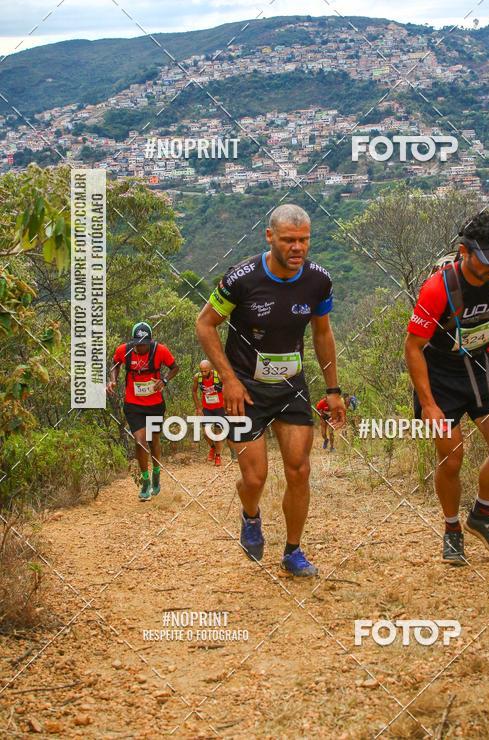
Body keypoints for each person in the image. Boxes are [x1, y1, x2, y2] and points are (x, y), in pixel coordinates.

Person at [195, 203, 346, 577]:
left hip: (291, 385)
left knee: (299, 470)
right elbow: (204, 325)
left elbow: (322, 332)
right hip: (244, 389)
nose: (297, 248)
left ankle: (293, 552)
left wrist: (333, 389)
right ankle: (250, 515)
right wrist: (228, 379)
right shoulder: (242, 279)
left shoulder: (318, 280)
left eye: (304, 240)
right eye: (289, 240)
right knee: (255, 476)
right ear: (270, 237)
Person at [404, 211, 489, 566]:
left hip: (480, 367)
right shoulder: (439, 287)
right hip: (439, 374)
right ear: (463, 251)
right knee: (452, 457)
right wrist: (428, 404)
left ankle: (481, 515)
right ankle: (452, 530)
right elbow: (412, 348)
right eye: (482, 264)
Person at [107, 322, 179, 501]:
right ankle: (145, 481)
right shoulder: (124, 350)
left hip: (155, 404)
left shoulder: (160, 350)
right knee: (140, 442)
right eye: (138, 343)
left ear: (150, 341)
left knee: (154, 440)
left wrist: (164, 380)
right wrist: (113, 380)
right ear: (133, 342)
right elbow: (115, 365)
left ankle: (156, 472)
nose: (140, 347)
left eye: (144, 343)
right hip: (133, 404)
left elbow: (175, 367)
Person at [192, 359, 230, 466]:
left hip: (220, 408)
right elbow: (194, 391)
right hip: (207, 408)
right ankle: (212, 448)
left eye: (205, 371)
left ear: (211, 369)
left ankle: (218, 456)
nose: (203, 373)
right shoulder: (197, 377)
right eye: (201, 371)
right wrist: (198, 408)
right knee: (206, 433)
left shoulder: (218, 376)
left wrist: (227, 404)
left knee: (218, 433)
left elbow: (227, 387)